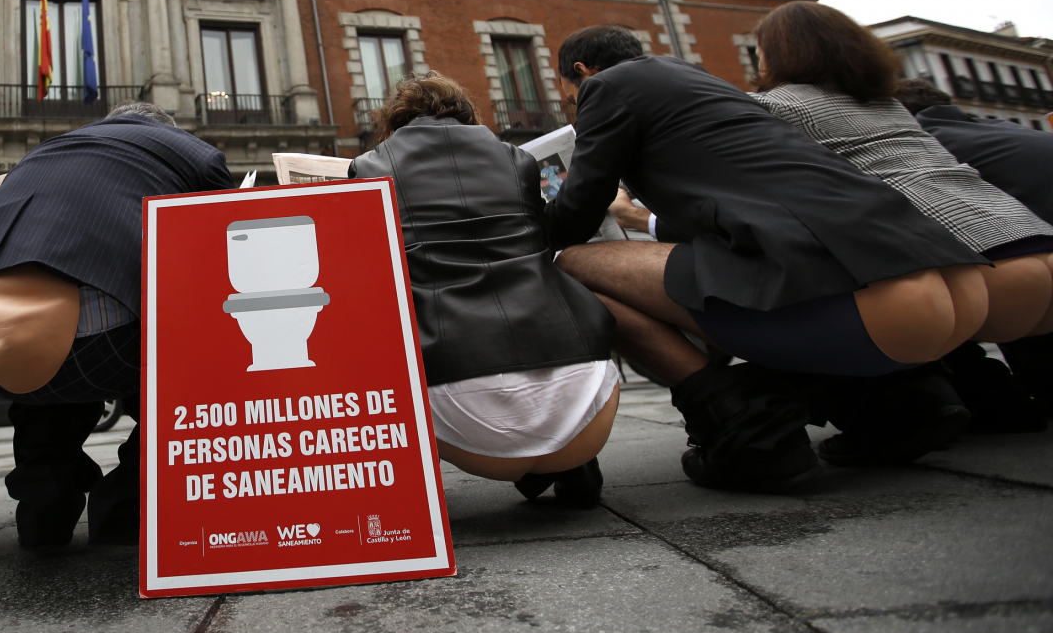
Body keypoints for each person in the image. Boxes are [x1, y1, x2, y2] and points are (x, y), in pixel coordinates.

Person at [544, 25, 988, 491]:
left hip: (865, 303)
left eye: (570, 98)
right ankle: (895, 404)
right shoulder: (700, 83)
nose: (575, 106)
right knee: (720, 270)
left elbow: (576, 214)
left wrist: (505, 231)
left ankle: (747, 430)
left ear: (582, 73)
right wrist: (636, 218)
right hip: (948, 284)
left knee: (572, 265)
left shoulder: (608, 86)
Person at [0, 101, 231, 549]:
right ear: (165, 128)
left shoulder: (50, 149)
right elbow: (224, 242)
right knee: (196, 358)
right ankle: (124, 506)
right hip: (85, 332)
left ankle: (45, 510)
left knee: (38, 363)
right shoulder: (192, 150)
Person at [750, 5, 1053, 436]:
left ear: (777, 54)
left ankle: (906, 411)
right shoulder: (890, 104)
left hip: (978, 268)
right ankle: (999, 403)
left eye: (758, 51)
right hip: (1033, 242)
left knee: (850, 290)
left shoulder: (772, 106)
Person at [348, 74, 618, 506]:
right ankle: (574, 466)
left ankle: (406, 495)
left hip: (462, 413)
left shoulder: (368, 167)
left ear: (394, 121)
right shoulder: (519, 160)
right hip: (582, 401)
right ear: (465, 113)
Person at [896, 78, 1053, 418]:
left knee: (917, 291)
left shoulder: (921, 148)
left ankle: (994, 405)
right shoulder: (1014, 131)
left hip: (1024, 277)